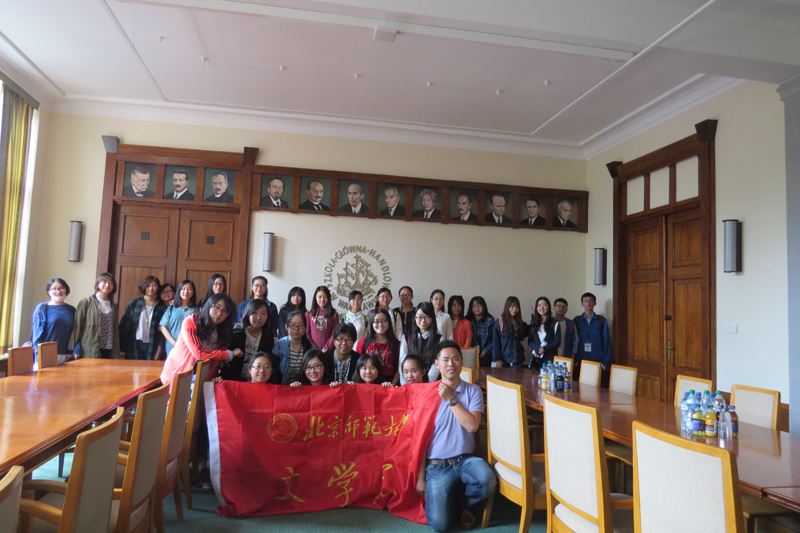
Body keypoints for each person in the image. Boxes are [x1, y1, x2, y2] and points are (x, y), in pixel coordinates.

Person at [417, 340, 496, 532]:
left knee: (487, 480)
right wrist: (420, 477)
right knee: (440, 525)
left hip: (466, 460)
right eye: (445, 360)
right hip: (437, 466)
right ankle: (451, 499)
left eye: (455, 359)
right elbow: (419, 440)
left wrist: (450, 399)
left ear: (462, 362)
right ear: (437, 364)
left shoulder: (473, 391)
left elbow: (472, 426)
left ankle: (463, 504)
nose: (450, 364)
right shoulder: (426, 394)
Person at [160, 294, 242, 387]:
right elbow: (199, 353)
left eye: (224, 311)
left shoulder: (222, 331)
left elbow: (215, 361)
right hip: (178, 374)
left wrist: (211, 378)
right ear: (209, 305)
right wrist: (229, 354)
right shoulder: (191, 322)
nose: (219, 313)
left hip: (200, 378)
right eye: (217, 307)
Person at [220, 299, 277, 381]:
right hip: (233, 377)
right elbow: (228, 359)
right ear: (248, 314)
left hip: (256, 379)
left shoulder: (268, 336)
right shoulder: (237, 331)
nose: (259, 317)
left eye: (263, 313)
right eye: (255, 313)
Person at [70, 273, 120, 359]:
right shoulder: (86, 302)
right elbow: (77, 326)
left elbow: (115, 328)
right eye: (104, 282)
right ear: (98, 283)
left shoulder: (114, 305)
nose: (107, 285)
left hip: (110, 349)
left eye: (111, 283)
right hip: (90, 348)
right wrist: (73, 348)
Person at [119, 276, 167, 361]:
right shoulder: (134, 304)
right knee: (133, 368)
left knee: (150, 369)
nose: (151, 288)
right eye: (148, 285)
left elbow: (162, 332)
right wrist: (121, 347)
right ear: (144, 286)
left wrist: (159, 351)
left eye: (154, 285)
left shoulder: (161, 307)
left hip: (152, 344)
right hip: (134, 343)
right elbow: (124, 326)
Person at [355, 308, 406, 385]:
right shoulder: (363, 343)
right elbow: (358, 366)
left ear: (389, 322)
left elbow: (400, 367)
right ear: (371, 323)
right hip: (368, 384)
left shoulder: (397, 344)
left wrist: (393, 383)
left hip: (389, 384)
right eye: (376, 321)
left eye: (384, 321)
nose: (380, 324)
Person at [31, 278, 76, 362]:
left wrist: (72, 352)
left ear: (66, 290)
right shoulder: (42, 308)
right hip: (45, 354)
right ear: (48, 291)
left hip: (66, 355)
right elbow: (37, 332)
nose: (58, 291)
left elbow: (76, 332)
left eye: (62, 288)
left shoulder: (72, 310)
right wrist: (37, 355)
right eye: (54, 289)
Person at [573, 292, 611, 383]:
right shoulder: (577, 320)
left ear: (595, 303)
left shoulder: (601, 320)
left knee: (598, 386)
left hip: (598, 360)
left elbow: (606, 341)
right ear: (582, 304)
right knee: (580, 387)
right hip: (581, 360)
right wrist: (574, 359)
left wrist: (606, 361)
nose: (588, 303)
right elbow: (573, 340)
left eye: (590, 301)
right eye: (585, 301)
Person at [402, 302, 442, 384]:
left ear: (432, 318)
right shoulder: (406, 337)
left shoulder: (439, 339)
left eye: (427, 317)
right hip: (409, 383)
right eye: (419, 317)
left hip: (431, 384)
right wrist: (405, 384)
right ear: (415, 318)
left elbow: (436, 366)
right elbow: (402, 362)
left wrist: (425, 384)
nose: (423, 320)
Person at [273, 310, 318, 385]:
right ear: (286, 327)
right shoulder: (279, 345)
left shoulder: (311, 347)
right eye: (293, 325)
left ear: (305, 327)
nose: (296, 329)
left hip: (304, 384)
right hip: (283, 384)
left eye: (300, 325)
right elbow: (274, 369)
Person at [159, 280, 197, 356]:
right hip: (172, 346)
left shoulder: (197, 310)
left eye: (189, 289)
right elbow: (162, 327)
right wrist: (174, 343)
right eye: (183, 289)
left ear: (193, 292)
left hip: (190, 347)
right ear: (179, 291)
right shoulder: (171, 309)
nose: (186, 292)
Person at [491, 296, 528, 367]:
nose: (514, 309)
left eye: (516, 307)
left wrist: (535, 317)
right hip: (505, 361)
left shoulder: (519, 322)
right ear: (507, 307)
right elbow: (495, 342)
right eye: (512, 307)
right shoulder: (500, 321)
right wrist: (497, 359)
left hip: (518, 360)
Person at [528, 296, 560, 372]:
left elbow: (557, 342)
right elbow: (530, 342)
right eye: (539, 305)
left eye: (544, 305)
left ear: (549, 307)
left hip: (550, 361)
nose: (542, 308)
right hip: (536, 360)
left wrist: (543, 349)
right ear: (536, 308)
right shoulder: (533, 323)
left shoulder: (555, 323)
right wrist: (537, 348)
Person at [305, 286, 339, 351]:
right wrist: (313, 348)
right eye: (319, 297)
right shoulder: (309, 313)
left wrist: (325, 349)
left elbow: (334, 334)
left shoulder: (334, 314)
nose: (322, 300)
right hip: (312, 350)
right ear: (315, 298)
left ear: (328, 298)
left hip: (328, 350)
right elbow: (307, 333)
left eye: (325, 297)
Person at [466, 296, 494, 367]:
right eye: (474, 306)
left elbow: (494, 339)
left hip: (485, 354)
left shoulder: (490, 320)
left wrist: (486, 350)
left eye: (479, 305)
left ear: (484, 306)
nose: (477, 308)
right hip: (470, 354)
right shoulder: (467, 320)